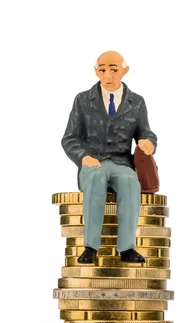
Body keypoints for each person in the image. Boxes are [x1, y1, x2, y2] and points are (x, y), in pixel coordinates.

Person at [61, 50, 157, 264]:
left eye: (113, 70)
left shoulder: (137, 102)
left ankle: (127, 248)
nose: (108, 76)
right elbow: (69, 138)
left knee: (131, 181)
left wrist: (149, 142)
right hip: (93, 161)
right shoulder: (83, 100)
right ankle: (90, 247)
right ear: (96, 71)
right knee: (95, 178)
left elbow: (146, 132)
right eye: (102, 70)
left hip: (121, 162)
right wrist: (83, 157)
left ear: (124, 71)